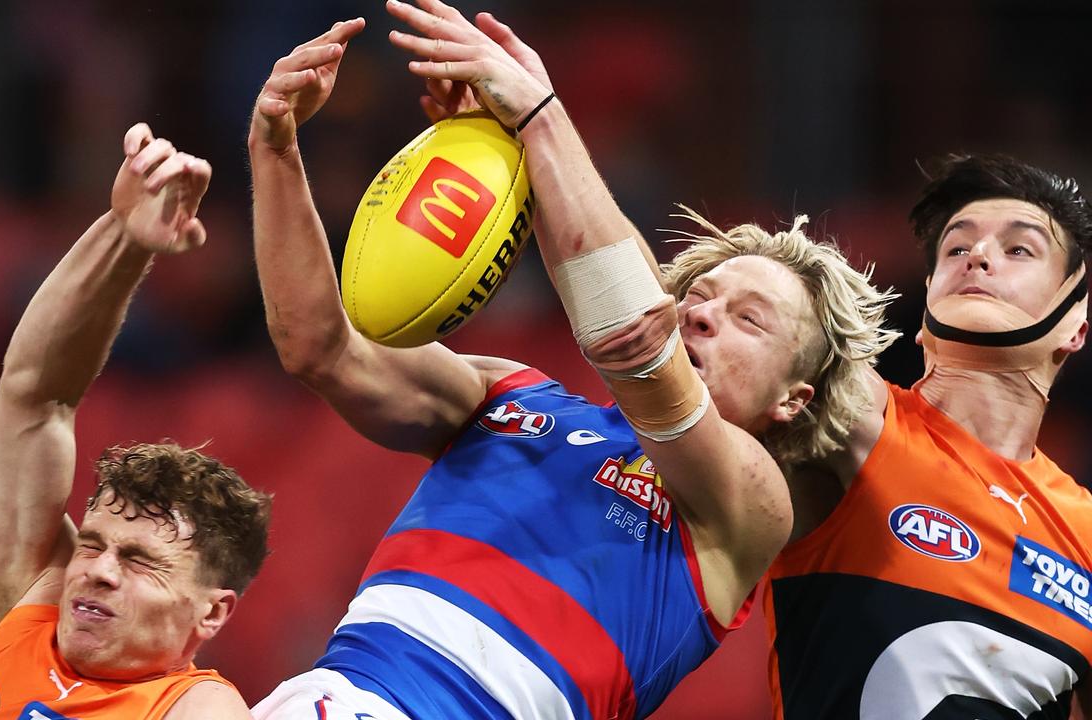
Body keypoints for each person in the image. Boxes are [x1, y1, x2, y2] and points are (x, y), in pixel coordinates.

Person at [247, 8, 895, 719]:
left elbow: (634, 343)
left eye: (749, 319)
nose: (702, 313)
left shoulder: (751, 505)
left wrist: (537, 117)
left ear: (793, 399)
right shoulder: (509, 393)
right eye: (701, 296)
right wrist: (275, 146)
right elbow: (319, 345)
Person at [0, 124, 271, 720]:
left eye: (139, 560)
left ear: (210, 611)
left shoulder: (196, 708)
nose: (98, 572)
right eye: (91, 545)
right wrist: (124, 238)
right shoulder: (21, 606)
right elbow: (36, 397)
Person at [765, 154, 1092, 718]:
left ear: (1075, 325)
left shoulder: (1085, 534)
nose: (978, 258)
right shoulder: (855, 420)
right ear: (926, 305)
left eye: (1019, 249)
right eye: (956, 249)